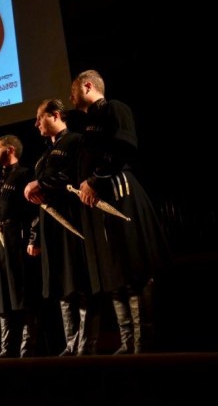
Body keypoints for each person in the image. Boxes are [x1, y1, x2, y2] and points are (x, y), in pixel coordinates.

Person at [70, 69, 171, 354]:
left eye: (73, 90)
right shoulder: (87, 125)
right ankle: (127, 344)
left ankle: (143, 344)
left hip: (120, 193)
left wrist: (94, 180)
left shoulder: (114, 108)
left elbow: (125, 147)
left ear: (87, 86)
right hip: (98, 203)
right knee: (113, 272)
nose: (70, 96)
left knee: (133, 267)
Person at [24, 99, 99, 356]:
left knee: (80, 282)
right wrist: (35, 236)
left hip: (73, 223)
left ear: (55, 115)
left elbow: (76, 175)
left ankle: (86, 345)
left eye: (40, 117)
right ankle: (70, 345)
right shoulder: (44, 154)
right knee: (61, 285)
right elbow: (39, 202)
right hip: (50, 227)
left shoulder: (76, 140)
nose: (36, 124)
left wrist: (41, 184)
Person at [0, 135, 41, 358]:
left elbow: (36, 211)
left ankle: (28, 348)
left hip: (20, 242)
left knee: (23, 295)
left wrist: (34, 239)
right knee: (3, 296)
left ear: (9, 150)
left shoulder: (26, 174)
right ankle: (7, 347)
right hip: (1, 245)